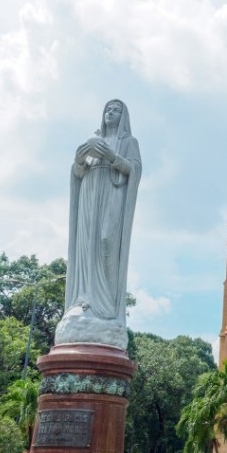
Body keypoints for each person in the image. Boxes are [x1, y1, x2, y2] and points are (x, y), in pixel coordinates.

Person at [55, 99, 142, 350]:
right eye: (107, 109)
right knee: (87, 247)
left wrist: (113, 157)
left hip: (113, 195)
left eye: (115, 110)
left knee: (106, 241)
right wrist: (80, 159)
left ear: (123, 116)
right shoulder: (92, 139)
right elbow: (78, 173)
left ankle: (106, 308)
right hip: (90, 195)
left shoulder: (128, 142)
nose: (110, 113)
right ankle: (84, 300)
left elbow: (134, 169)